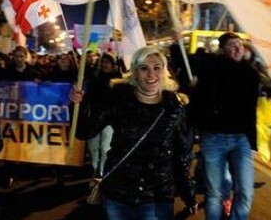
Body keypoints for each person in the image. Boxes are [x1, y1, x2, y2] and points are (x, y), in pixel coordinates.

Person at [70, 47, 197, 219]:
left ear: (164, 71)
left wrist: (188, 194)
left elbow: (181, 156)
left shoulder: (175, 107)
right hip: (119, 194)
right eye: (144, 68)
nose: (151, 74)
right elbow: (84, 132)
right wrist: (79, 105)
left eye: (157, 68)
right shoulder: (118, 99)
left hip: (157, 196)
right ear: (135, 73)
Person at [171, 32, 260, 220]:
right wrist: (177, 43)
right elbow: (184, 61)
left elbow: (251, 111)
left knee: (245, 192)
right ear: (222, 49)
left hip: (241, 140)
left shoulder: (250, 74)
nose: (237, 48)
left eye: (240, 45)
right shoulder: (210, 66)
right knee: (214, 194)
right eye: (232, 45)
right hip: (213, 138)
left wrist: (253, 143)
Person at [84, 51, 122, 178]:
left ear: (112, 65)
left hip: (110, 120)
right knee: (93, 147)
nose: (104, 65)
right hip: (94, 118)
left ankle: (102, 172)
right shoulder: (93, 80)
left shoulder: (118, 81)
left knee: (105, 148)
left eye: (107, 62)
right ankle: (94, 168)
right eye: (102, 62)